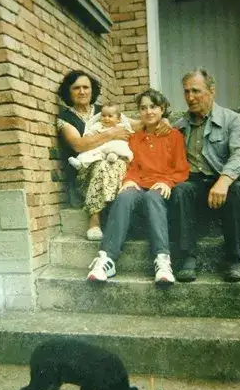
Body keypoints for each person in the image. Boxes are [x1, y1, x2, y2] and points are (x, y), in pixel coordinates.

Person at [86, 89, 189, 287]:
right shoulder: (134, 138)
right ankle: (107, 258)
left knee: (153, 197)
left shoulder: (174, 136)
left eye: (153, 107)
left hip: (161, 186)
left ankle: (162, 260)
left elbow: (182, 168)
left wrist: (168, 181)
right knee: (124, 197)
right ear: (139, 112)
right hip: (139, 184)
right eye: (143, 108)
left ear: (162, 109)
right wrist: (129, 180)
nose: (148, 111)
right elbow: (131, 165)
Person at [56, 70, 171, 241]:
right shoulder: (65, 118)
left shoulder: (104, 110)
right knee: (103, 165)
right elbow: (78, 145)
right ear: (68, 91)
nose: (82, 92)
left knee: (119, 164)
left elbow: (137, 125)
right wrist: (111, 134)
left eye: (86, 87)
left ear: (92, 90)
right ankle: (94, 220)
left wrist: (163, 120)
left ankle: (120, 220)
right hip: (85, 171)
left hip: (112, 164)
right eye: (76, 88)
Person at [170, 68, 240, 283]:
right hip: (194, 182)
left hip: (222, 179)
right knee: (180, 191)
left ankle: (234, 259)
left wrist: (224, 181)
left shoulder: (232, 119)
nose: (190, 97)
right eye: (186, 92)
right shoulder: (179, 126)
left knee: (235, 190)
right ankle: (187, 257)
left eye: (196, 91)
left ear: (211, 91)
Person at [67, 103, 134, 170]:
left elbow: (129, 132)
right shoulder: (98, 125)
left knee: (120, 145)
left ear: (118, 119)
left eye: (110, 116)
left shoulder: (120, 126)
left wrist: (129, 133)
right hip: (101, 147)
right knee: (90, 153)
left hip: (113, 146)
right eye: (103, 116)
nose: (106, 118)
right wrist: (88, 134)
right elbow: (91, 131)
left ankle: (115, 156)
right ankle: (80, 163)